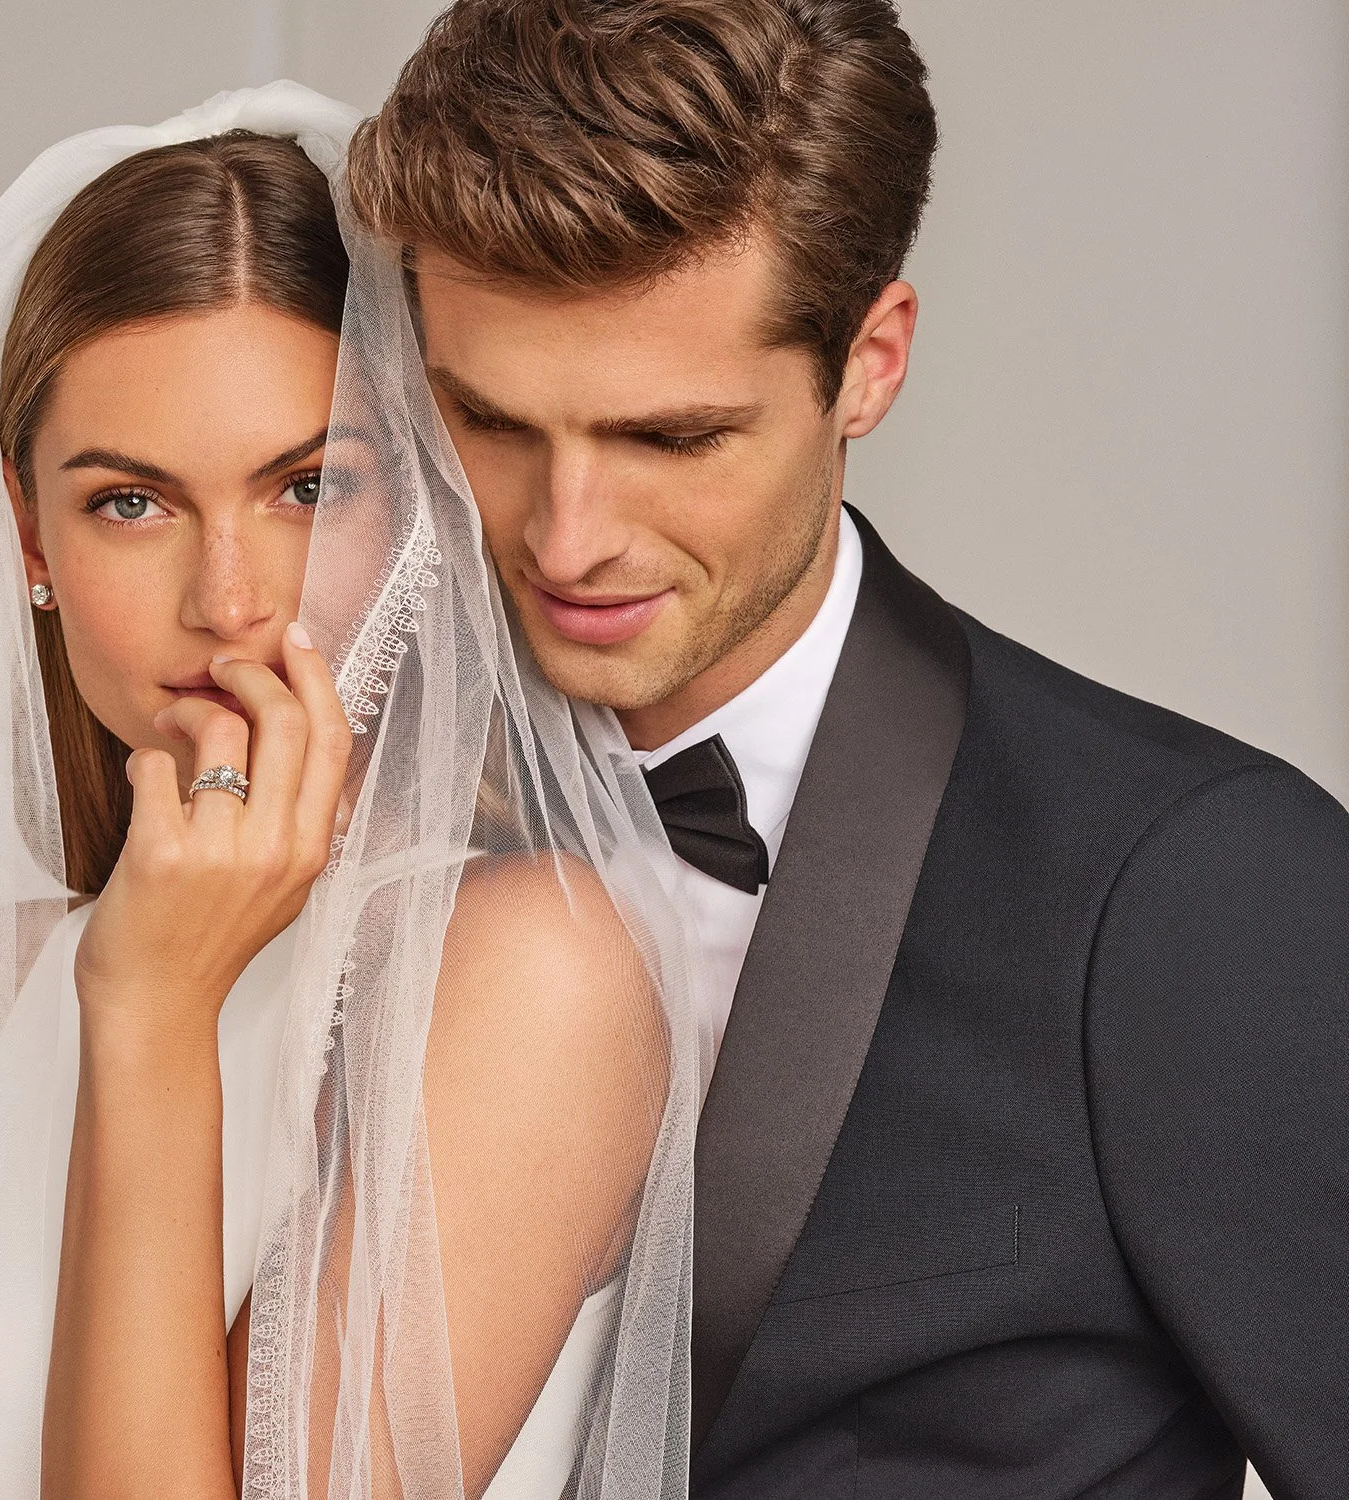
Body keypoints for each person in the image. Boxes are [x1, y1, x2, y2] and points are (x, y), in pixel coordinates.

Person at [0, 85, 701, 1500]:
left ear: (419, 510)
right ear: (29, 538)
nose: (229, 603)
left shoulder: (539, 974)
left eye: (311, 487)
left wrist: (157, 1006)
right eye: (132, 502)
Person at [346, 1, 1349, 1497]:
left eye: (670, 439)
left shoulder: (1192, 885)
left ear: (869, 363)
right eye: (487, 421)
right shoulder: (316, 825)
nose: (566, 537)